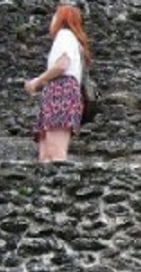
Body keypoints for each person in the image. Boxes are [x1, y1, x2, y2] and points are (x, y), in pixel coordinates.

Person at [26, 3, 91, 162]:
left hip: (61, 92)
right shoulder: (70, 39)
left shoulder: (65, 35)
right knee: (45, 156)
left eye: (54, 16)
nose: (51, 21)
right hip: (58, 91)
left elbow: (62, 65)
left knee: (55, 155)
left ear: (61, 19)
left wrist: (37, 81)